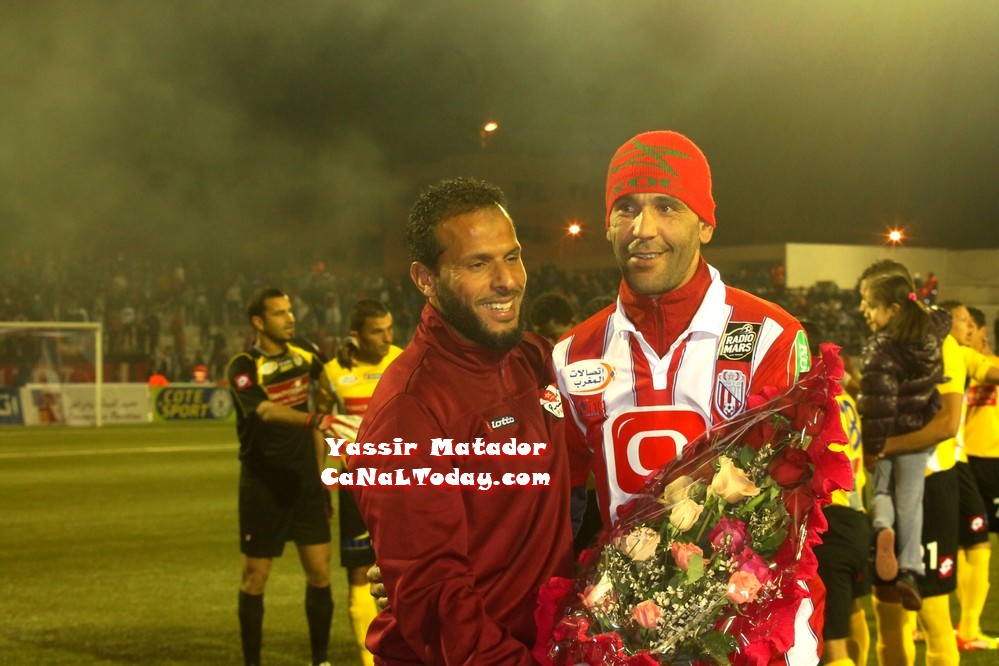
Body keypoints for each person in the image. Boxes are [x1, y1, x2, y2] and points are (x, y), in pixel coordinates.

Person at [551, 130, 819, 662]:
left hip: (755, 638)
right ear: (608, 223)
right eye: (626, 208)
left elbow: (789, 512)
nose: (643, 228)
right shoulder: (572, 355)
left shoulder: (771, 336)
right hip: (629, 641)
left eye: (667, 206)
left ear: (706, 224)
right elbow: (546, 509)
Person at [347, 178, 572, 664]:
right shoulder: (407, 413)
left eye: (512, 256)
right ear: (425, 279)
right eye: (477, 263)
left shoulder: (534, 358)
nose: (507, 280)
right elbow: (436, 603)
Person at [227, 287, 338, 666]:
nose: (290, 318)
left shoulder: (306, 351)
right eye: (279, 313)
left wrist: (321, 476)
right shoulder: (243, 365)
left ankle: (320, 661)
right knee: (254, 577)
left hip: (306, 481)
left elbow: (335, 380)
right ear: (259, 322)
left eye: (290, 311)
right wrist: (315, 419)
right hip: (262, 485)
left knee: (320, 572)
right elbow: (266, 412)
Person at [317, 299, 402, 666]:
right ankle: (368, 660)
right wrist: (322, 478)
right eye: (377, 331)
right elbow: (322, 423)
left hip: (402, 482)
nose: (387, 337)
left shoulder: (402, 359)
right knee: (358, 571)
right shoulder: (333, 372)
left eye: (389, 329)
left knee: (406, 566)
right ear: (356, 335)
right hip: (357, 484)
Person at [856, 270, 944, 611]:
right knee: (911, 501)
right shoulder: (930, 338)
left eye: (870, 305)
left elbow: (878, 407)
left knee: (882, 491)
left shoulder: (881, 348)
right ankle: (909, 568)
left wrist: (874, 448)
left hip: (889, 436)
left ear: (893, 309)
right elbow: (941, 317)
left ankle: (882, 529)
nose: (864, 310)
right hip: (918, 434)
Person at [952, 304, 999, 651]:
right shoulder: (963, 360)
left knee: (973, 541)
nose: (970, 331)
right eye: (965, 323)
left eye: (973, 325)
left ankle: (962, 624)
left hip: (984, 460)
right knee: (972, 541)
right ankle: (966, 626)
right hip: (967, 459)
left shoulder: (985, 364)